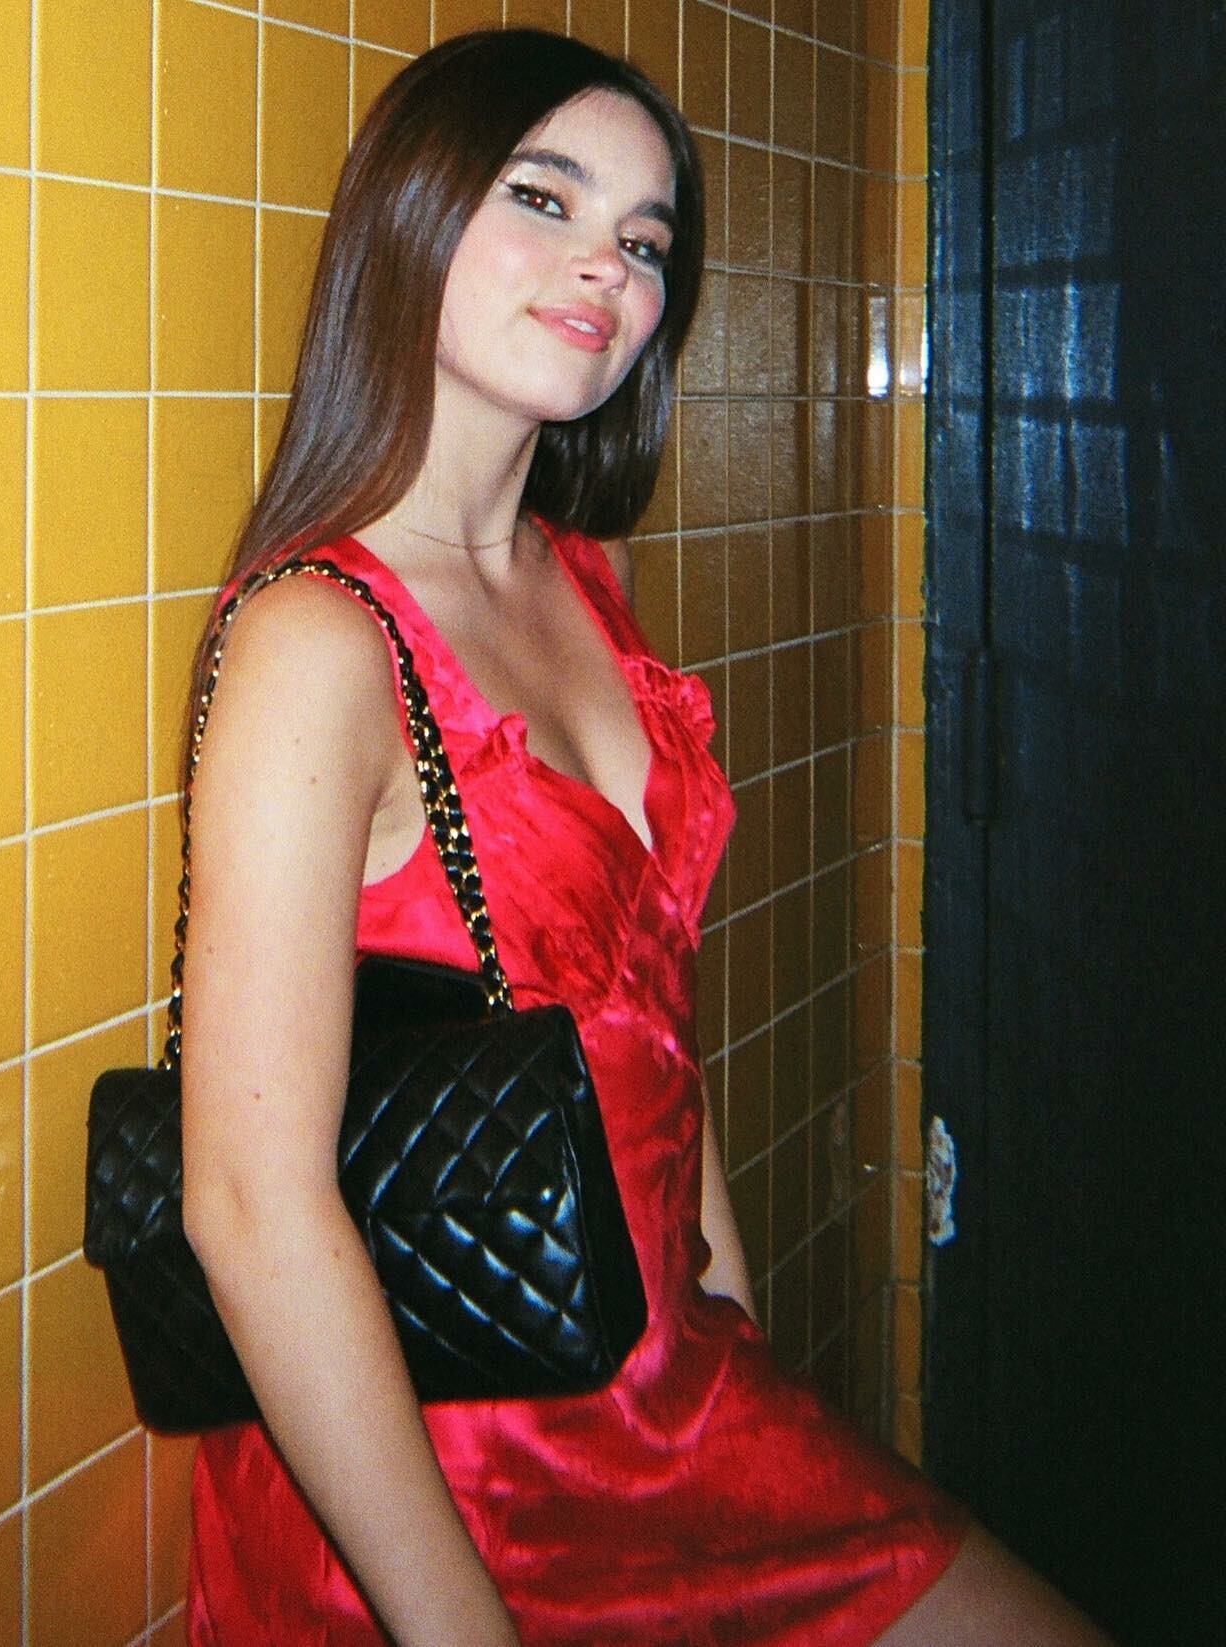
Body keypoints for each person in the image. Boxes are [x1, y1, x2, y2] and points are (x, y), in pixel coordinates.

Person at [178, 28, 1114, 1647]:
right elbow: (251, 1210)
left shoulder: (583, 583)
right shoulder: (316, 642)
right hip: (461, 1474)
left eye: (647, 239)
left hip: (673, 1395)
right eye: (545, 198)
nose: (609, 267)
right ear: (411, 214)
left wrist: (729, 1323)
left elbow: (641, 1023)